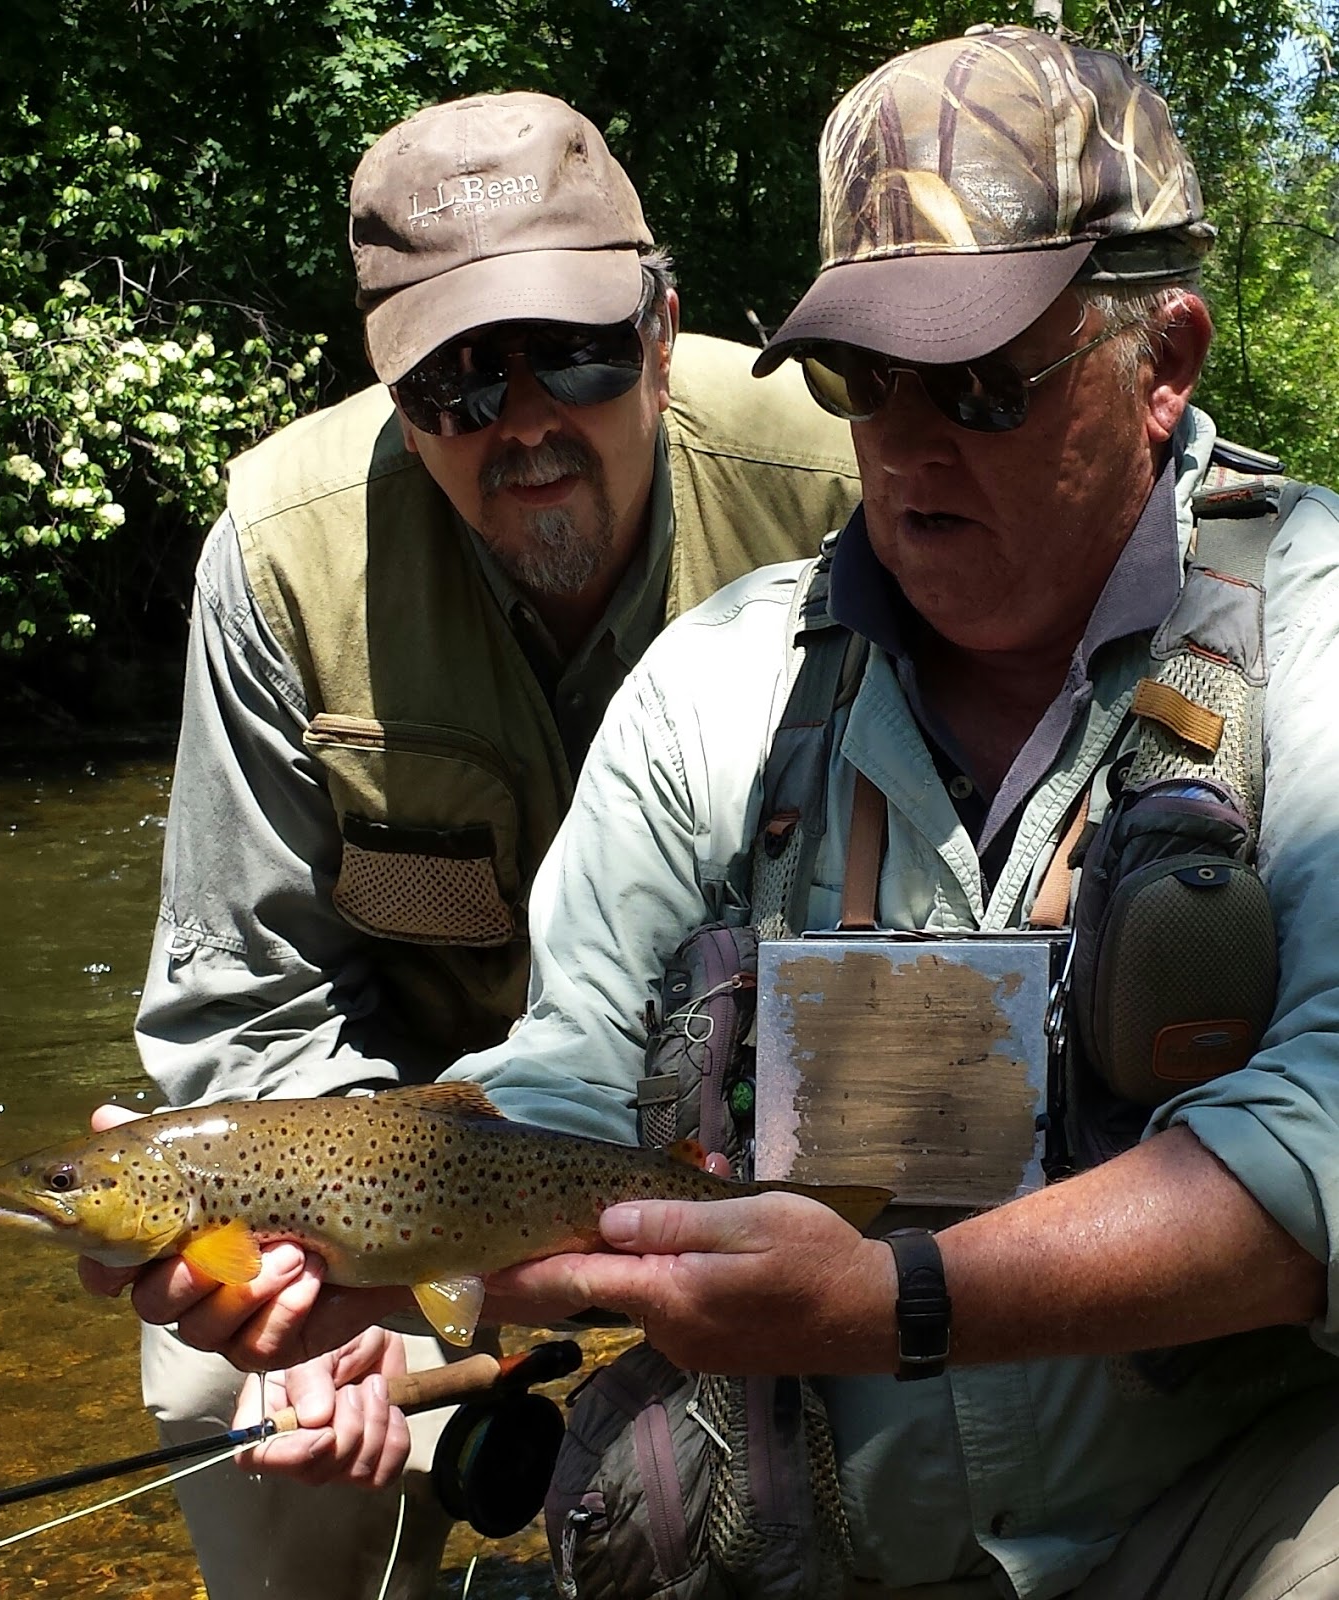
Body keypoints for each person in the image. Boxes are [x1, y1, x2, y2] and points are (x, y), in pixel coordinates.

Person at [102, 24, 1339, 1600]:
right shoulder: (719, 679)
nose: (903, 442)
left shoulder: (1314, 629)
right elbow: (566, 1091)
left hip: (1226, 1496)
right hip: (826, 1495)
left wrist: (904, 1294)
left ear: (1162, 364)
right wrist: (328, 1248)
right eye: (864, 379)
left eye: (983, 381)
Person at [89, 86, 859, 1600]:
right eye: (452, 379)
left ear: (658, 328)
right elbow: (249, 993)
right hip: (408, 1157)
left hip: (760, 1124)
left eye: (570, 352)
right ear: (389, 389)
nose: (519, 421)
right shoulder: (279, 555)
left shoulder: (845, 483)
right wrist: (343, 1272)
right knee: (215, 1386)